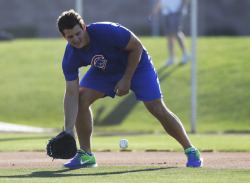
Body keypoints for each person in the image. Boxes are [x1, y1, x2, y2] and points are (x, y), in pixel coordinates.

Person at [56, 9, 203, 168]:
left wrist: (126, 79)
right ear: (64, 37)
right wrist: (69, 129)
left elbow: (137, 47)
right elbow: (71, 94)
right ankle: (86, 155)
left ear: (83, 27)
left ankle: (190, 150)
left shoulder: (106, 31)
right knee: (81, 98)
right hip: (105, 70)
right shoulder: (70, 56)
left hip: (138, 65)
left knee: (157, 108)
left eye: (78, 33)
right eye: (70, 37)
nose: (76, 39)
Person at [149, 0, 190, 66]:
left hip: (177, 12)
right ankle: (171, 58)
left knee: (176, 32)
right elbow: (160, 2)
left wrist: (181, 8)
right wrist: (155, 13)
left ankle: (185, 54)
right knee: (169, 35)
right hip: (166, 12)